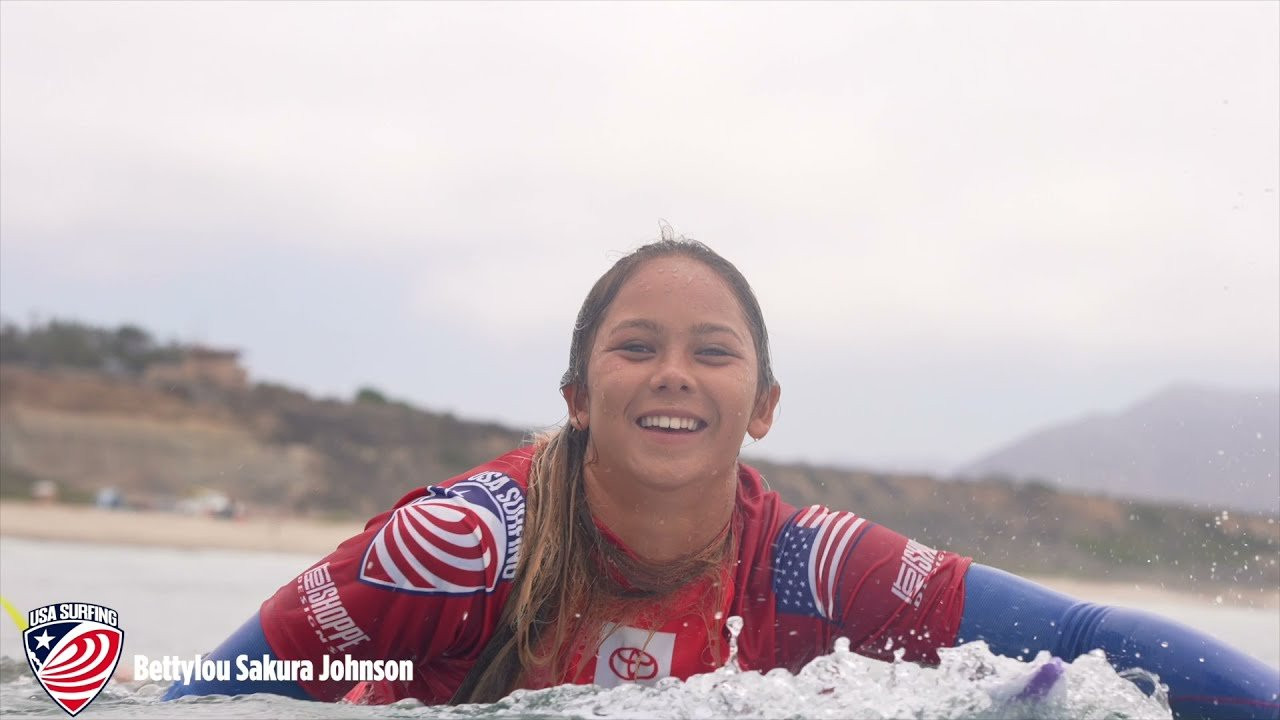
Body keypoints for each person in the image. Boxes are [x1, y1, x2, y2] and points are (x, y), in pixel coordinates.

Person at [166, 239, 1279, 718]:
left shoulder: (816, 565)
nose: (672, 376)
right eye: (634, 345)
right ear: (572, 394)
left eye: (712, 352)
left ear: (762, 405)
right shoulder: (458, 546)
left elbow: (1089, 637)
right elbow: (198, 701)